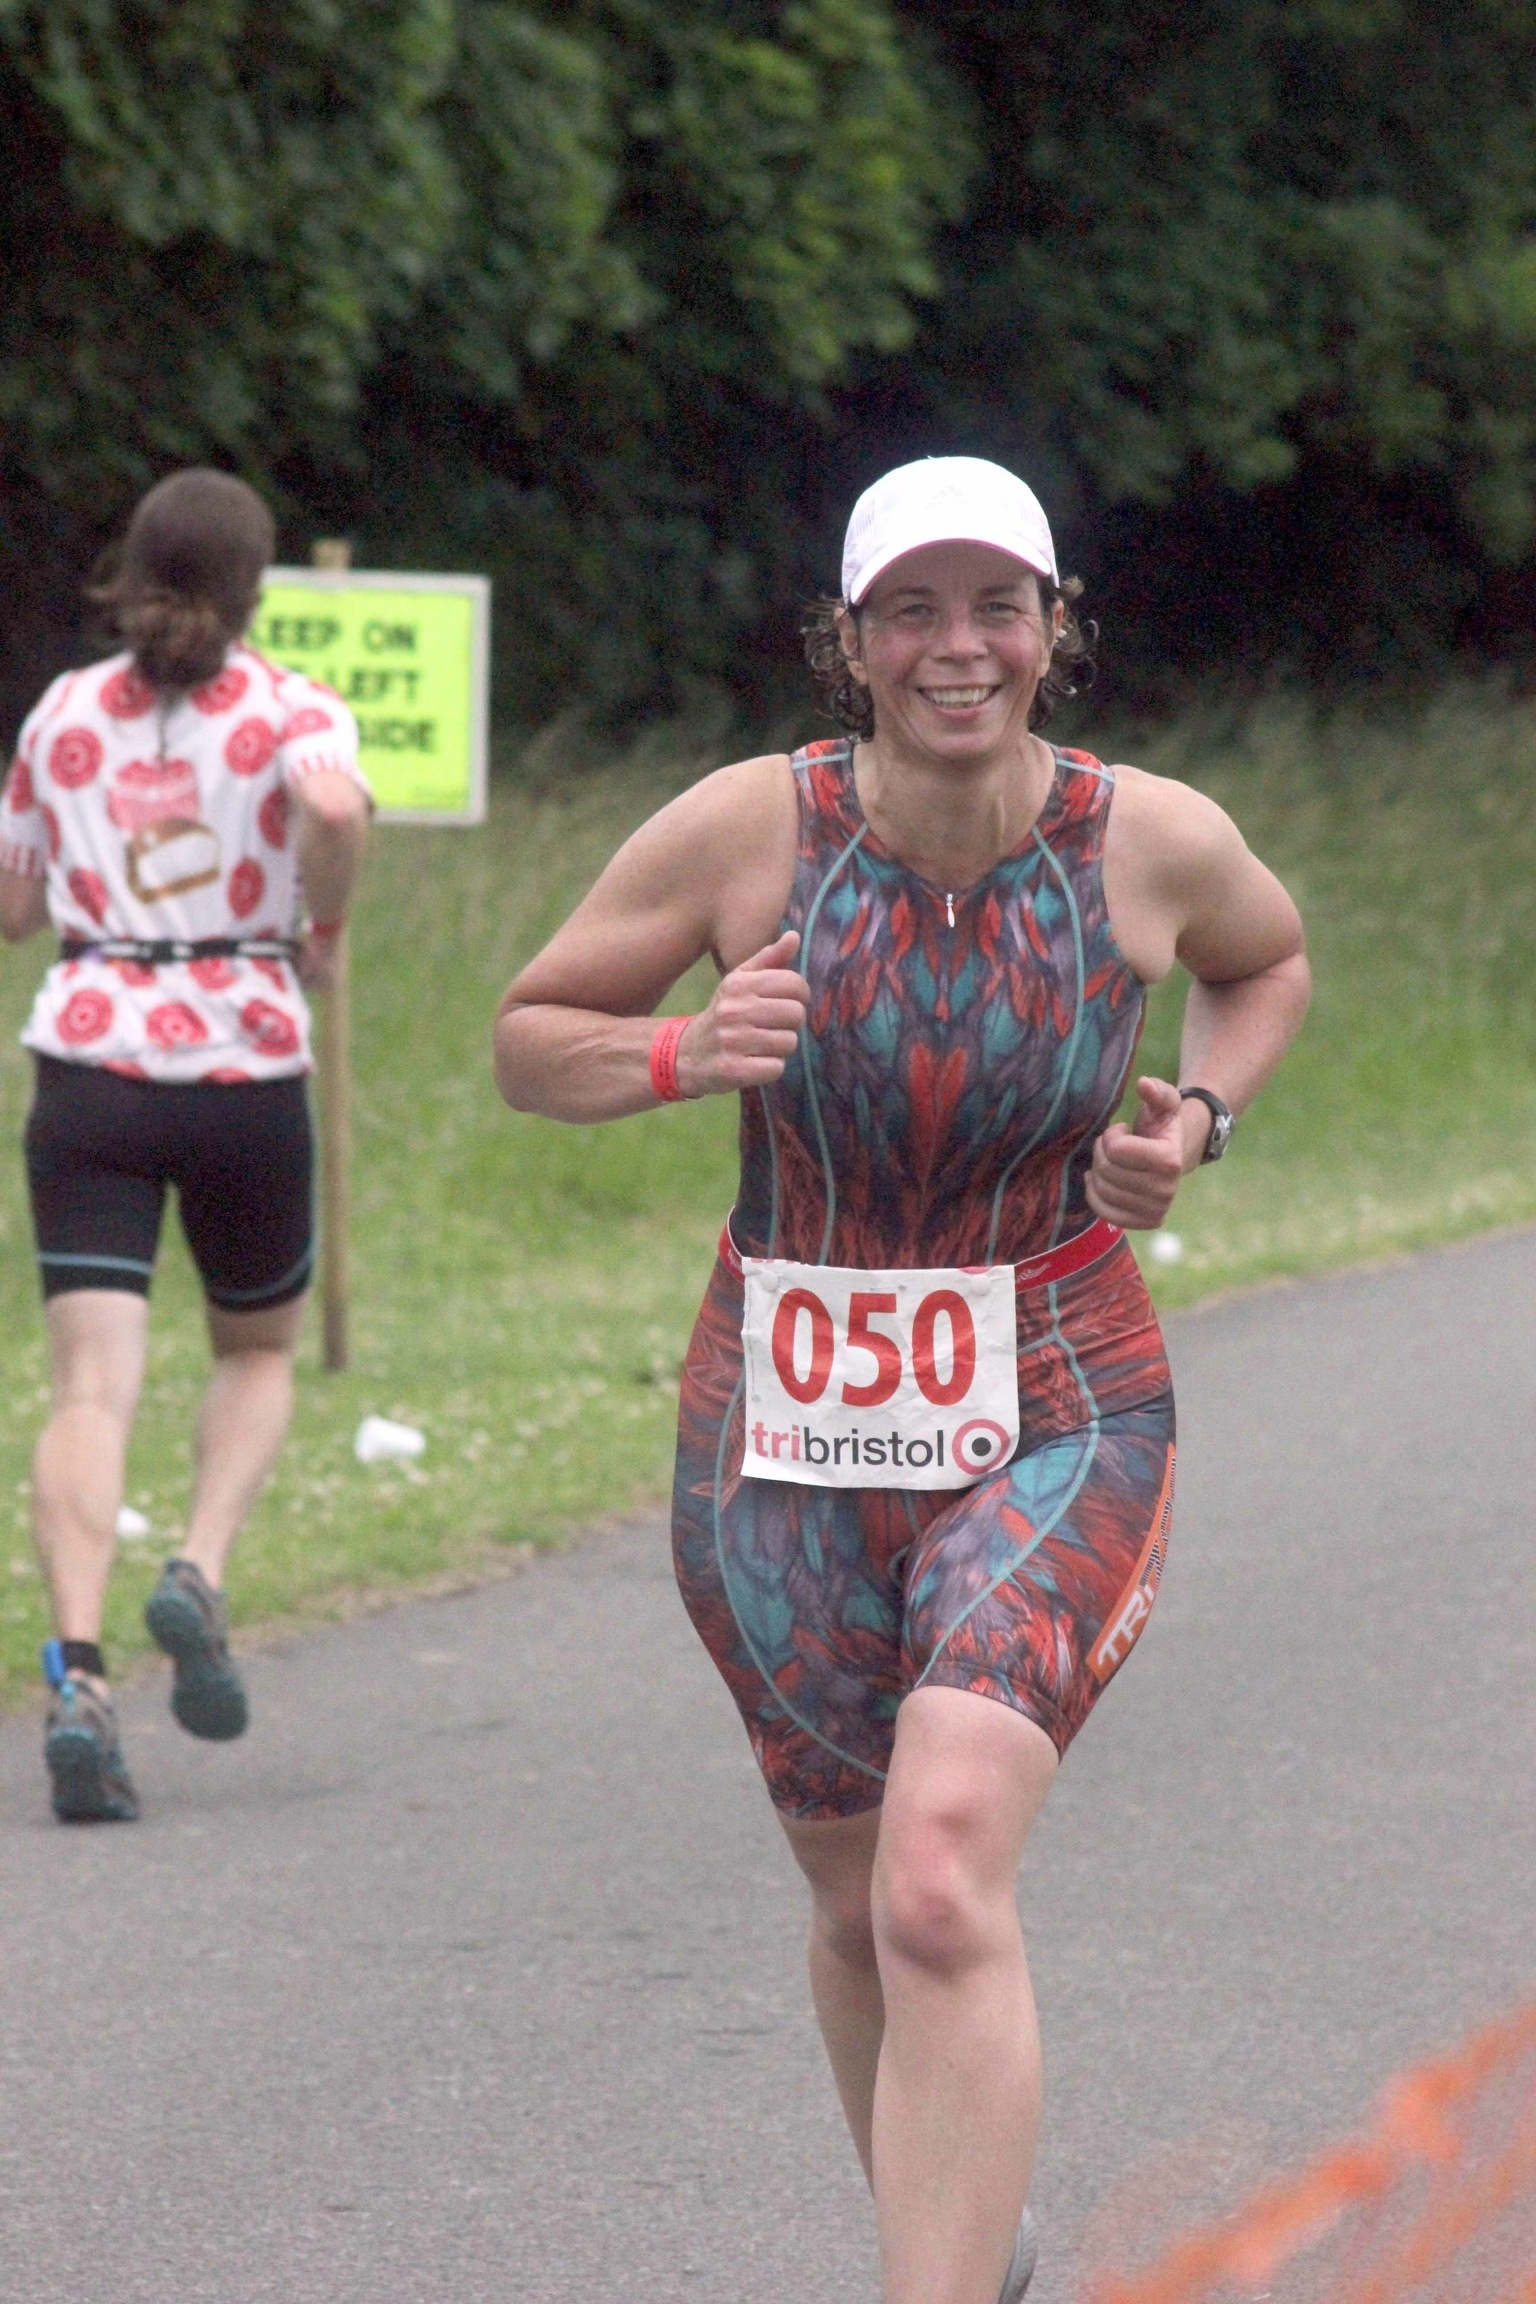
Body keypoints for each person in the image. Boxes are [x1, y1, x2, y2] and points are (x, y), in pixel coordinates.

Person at [493, 456, 1309, 2302]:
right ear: (849, 644)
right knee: (864, 1905)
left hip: (1062, 1394)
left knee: (938, 1873)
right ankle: (961, 2237)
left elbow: (1266, 965)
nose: (961, 648)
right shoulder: (748, 830)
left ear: (1054, 630)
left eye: (998, 608)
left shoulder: (1150, 839)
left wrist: (1200, 1116)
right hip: (778, 1421)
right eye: (914, 613)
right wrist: (687, 1049)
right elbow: (531, 1040)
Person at [0, 467, 372, 1824]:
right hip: (241, 1064)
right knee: (256, 1349)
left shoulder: (61, 714)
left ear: (132, 569)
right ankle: (199, 1567)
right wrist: (319, 925)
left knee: (90, 1391)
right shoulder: (291, 709)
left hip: (91, 1062)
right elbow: (335, 812)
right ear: (253, 588)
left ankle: (79, 1678)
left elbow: (14, 908)